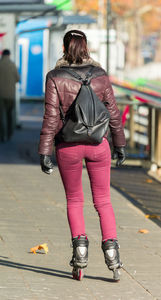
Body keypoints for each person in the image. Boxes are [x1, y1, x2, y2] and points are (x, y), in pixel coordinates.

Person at [38, 30, 126, 281]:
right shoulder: (100, 76)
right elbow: (113, 113)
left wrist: (45, 151)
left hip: (68, 147)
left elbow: (51, 116)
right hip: (99, 145)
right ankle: (112, 256)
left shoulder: (55, 77)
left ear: (64, 49)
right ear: (86, 47)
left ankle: (80, 253)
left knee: (75, 200)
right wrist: (119, 144)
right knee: (103, 201)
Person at [0, 49, 20, 142]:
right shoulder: (12, 65)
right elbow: (17, 79)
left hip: (1, 95)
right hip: (11, 95)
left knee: (1, 115)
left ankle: (2, 135)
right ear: (9, 55)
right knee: (9, 115)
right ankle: (9, 134)